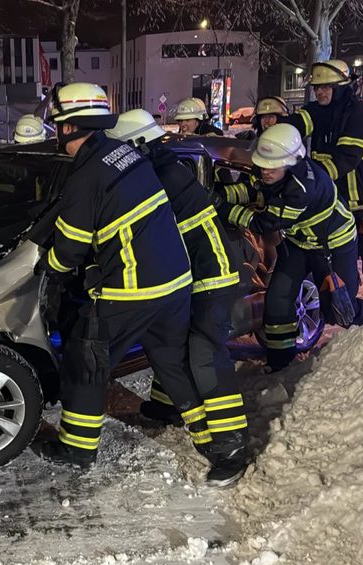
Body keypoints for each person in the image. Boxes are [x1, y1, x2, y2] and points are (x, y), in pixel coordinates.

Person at [37, 83, 196, 470]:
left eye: (58, 123)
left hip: (134, 287)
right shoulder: (123, 153)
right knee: (172, 358)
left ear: (72, 126)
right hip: (175, 280)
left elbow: (69, 249)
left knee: (85, 358)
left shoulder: (86, 174)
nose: (57, 131)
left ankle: (77, 448)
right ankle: (191, 420)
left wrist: (49, 273)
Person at [107, 109, 248, 485]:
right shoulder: (159, 168)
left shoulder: (162, 177)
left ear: (138, 146)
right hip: (186, 277)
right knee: (167, 349)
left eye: (122, 152)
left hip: (211, 275)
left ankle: (232, 446)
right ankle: (180, 413)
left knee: (204, 352)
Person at [217, 124, 363, 372]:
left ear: (292, 162)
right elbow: (251, 190)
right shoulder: (271, 172)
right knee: (278, 298)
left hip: (332, 244)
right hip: (299, 241)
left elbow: (263, 223)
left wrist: (223, 208)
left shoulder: (302, 190)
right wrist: (219, 194)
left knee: (337, 306)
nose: (265, 171)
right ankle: (280, 363)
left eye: (272, 166)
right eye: (263, 164)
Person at [282, 60, 363, 313]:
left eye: (326, 87)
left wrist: (311, 183)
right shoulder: (319, 112)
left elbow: (345, 160)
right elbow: (297, 123)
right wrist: (274, 132)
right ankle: (346, 310)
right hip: (335, 204)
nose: (320, 92)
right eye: (317, 88)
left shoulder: (360, 115)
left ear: (341, 87)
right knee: (339, 263)